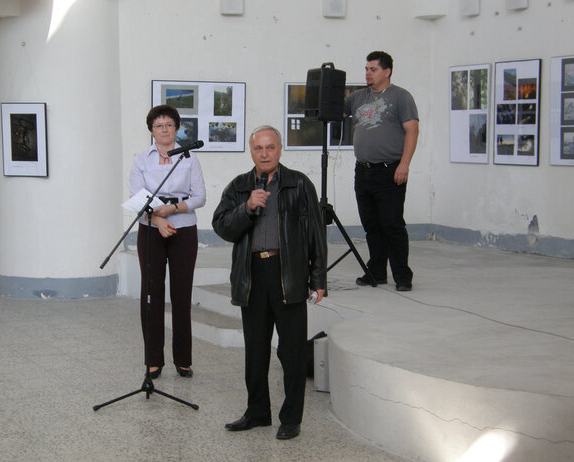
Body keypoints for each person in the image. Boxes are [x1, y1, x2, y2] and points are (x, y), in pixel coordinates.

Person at [212, 125, 326, 440]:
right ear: (252, 151)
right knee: (256, 351)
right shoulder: (239, 186)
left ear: (279, 149)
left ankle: (291, 418)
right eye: (259, 148)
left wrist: (319, 278)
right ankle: (257, 412)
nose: (265, 153)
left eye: (270, 147)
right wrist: (247, 208)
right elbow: (222, 227)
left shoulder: (299, 184)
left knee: (292, 352)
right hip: (252, 275)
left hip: (287, 273)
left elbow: (316, 233)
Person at [129, 104, 206, 379]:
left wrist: (172, 211)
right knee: (151, 295)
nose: (164, 130)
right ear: (151, 130)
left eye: (169, 125)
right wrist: (158, 221)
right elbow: (138, 198)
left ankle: (183, 359)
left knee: (181, 295)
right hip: (150, 230)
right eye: (159, 125)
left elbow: (199, 197)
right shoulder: (141, 160)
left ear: (177, 128)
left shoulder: (189, 159)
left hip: (183, 228)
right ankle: (153, 359)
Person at [344, 51, 419, 292]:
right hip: (363, 171)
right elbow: (334, 111)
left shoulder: (400, 97)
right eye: (366, 69)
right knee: (371, 225)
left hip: (390, 171)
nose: (367, 73)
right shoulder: (357, 97)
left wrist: (404, 164)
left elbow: (412, 130)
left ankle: (402, 276)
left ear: (386, 72)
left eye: (372, 69)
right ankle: (376, 272)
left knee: (392, 224)